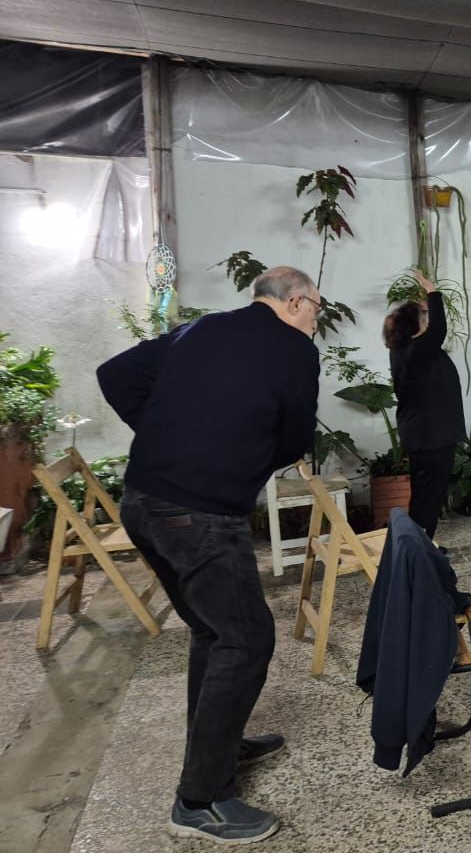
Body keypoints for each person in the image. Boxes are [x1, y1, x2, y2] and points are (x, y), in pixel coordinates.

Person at [97, 265, 322, 844]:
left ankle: (219, 746)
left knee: (212, 630)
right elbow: (296, 438)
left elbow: (114, 374)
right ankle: (200, 801)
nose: (316, 320)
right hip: (198, 513)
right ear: (295, 302)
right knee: (246, 640)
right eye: (316, 308)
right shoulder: (294, 348)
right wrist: (233, 454)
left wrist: (167, 433)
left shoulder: (201, 329)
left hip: (143, 502)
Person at [384, 269, 465, 541]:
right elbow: (439, 329)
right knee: (429, 496)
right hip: (431, 435)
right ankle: (421, 549)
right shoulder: (415, 352)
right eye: (423, 317)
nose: (427, 321)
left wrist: (423, 305)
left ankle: (419, 545)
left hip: (425, 434)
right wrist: (432, 292)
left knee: (424, 494)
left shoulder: (407, 350)